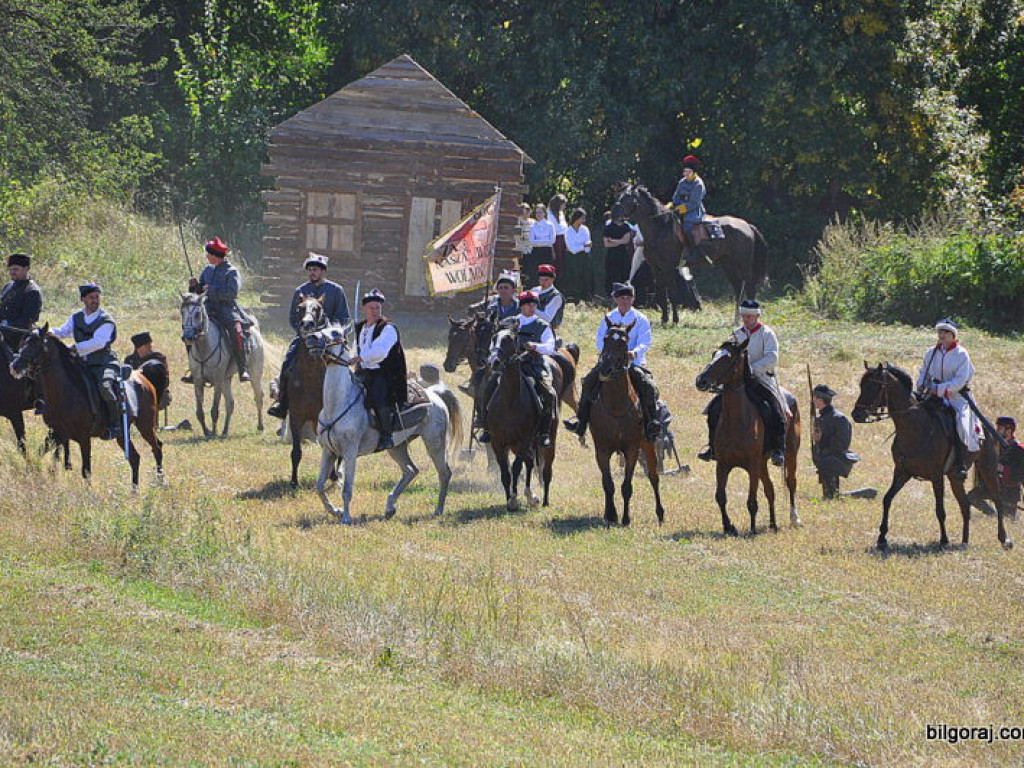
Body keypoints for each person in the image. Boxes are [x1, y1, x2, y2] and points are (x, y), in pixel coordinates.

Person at [563, 282, 660, 440]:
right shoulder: (609, 318)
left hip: (632, 363)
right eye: (622, 298)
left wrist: (633, 353)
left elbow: (645, 341)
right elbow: (600, 339)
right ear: (616, 299)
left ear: (633, 299)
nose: (625, 301)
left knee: (647, 385)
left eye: (628, 298)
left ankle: (652, 422)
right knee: (588, 381)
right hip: (609, 361)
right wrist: (609, 354)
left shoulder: (641, 319)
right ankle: (581, 421)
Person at [698, 299, 787, 466]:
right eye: (744, 316)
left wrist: (751, 369)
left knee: (773, 409)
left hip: (760, 378)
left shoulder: (767, 333)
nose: (746, 319)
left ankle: (777, 449)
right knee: (714, 409)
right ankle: (713, 447)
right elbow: (724, 353)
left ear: (757, 316)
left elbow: (772, 358)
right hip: (736, 379)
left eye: (750, 316)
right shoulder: (736, 334)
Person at [267, 253, 350, 419]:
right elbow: (293, 318)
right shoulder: (300, 291)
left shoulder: (336, 290)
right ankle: (283, 405)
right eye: (310, 270)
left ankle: (348, 401)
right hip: (305, 340)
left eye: (316, 270)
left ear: (323, 272)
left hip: (329, 341)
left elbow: (343, 318)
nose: (312, 273)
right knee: (287, 363)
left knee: (346, 364)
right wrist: (303, 333)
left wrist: (329, 333)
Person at [477, 290, 557, 447]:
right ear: (521, 306)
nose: (532, 307)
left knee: (549, 393)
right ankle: (486, 428)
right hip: (507, 366)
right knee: (487, 389)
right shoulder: (507, 322)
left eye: (534, 304)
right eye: (528, 304)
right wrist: (494, 356)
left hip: (533, 364)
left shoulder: (543, 325)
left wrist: (535, 346)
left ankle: (544, 432)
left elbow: (550, 347)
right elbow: (496, 342)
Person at [51, 284, 123, 440]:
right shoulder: (76, 317)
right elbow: (63, 332)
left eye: (97, 297)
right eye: (91, 297)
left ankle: (114, 423)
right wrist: (48, 332)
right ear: (83, 299)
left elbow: (98, 342)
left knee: (105, 387)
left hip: (104, 363)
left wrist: (75, 348)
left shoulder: (106, 320)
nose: (95, 300)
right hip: (83, 364)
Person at [915, 318, 978, 481]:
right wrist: (921, 386)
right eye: (939, 332)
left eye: (945, 332)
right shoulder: (931, 352)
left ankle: (960, 464)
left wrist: (940, 389)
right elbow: (924, 372)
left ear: (953, 335)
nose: (941, 335)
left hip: (957, 397)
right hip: (933, 395)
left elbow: (959, 381)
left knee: (962, 424)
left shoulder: (961, 354)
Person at [187, 236, 253, 382]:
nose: (207, 257)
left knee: (236, 332)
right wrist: (194, 286)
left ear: (216, 256)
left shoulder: (232, 272)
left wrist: (211, 289)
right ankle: (194, 369)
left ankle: (242, 368)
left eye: (209, 254)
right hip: (208, 308)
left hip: (227, 309)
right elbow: (200, 291)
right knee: (190, 328)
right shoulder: (207, 270)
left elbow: (232, 293)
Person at [353, 288, 407, 451]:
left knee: (379, 398)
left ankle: (386, 435)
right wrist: (355, 360)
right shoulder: (361, 327)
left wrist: (360, 358)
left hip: (384, 373)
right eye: (372, 307)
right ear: (364, 309)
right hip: (364, 371)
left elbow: (380, 351)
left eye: (378, 307)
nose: (375, 311)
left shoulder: (388, 328)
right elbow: (357, 348)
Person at [811, 384, 860, 499]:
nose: (813, 401)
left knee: (827, 462)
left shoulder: (839, 418)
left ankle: (832, 495)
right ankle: (830, 495)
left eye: (815, 398)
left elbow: (842, 444)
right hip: (824, 459)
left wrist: (821, 440)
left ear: (821, 400)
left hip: (838, 459)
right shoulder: (820, 419)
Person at [969, 416, 1024, 515]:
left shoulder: (1019, 450)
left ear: (1009, 430)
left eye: (1000, 428)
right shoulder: (994, 446)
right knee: (972, 497)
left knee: (1007, 519)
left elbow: (1020, 474)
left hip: (1010, 490)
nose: (997, 431)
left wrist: (1003, 469)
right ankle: (992, 515)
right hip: (993, 485)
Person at [671, 155, 707, 265]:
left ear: (693, 172)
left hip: (693, 212)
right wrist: (670, 206)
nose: (685, 174)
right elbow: (675, 197)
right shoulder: (682, 182)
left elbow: (694, 203)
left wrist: (680, 209)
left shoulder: (698, 184)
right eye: (684, 171)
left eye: (688, 172)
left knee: (687, 226)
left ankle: (693, 251)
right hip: (678, 209)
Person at [126, 331, 172, 412]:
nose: (150, 348)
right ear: (138, 348)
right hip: (135, 392)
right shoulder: (130, 360)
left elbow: (165, 380)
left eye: (150, 345)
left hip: (158, 392)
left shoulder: (158, 358)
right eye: (147, 346)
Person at [563, 208, 593, 300]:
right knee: (574, 277)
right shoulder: (568, 231)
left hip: (584, 257)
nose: (583, 220)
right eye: (582, 218)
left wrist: (582, 246)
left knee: (586, 276)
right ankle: (573, 296)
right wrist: (583, 246)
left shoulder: (585, 229)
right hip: (572, 258)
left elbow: (588, 245)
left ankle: (586, 296)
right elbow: (572, 249)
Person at [525, 203, 555, 288]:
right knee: (536, 272)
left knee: (547, 272)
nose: (538, 214)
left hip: (546, 252)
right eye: (537, 212)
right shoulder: (532, 226)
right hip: (536, 252)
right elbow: (532, 241)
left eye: (540, 212)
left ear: (544, 213)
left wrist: (539, 241)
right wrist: (545, 240)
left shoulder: (550, 225)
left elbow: (552, 240)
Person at [603, 208, 633, 295]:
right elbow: (606, 244)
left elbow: (626, 240)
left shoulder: (625, 226)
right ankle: (611, 294)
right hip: (612, 255)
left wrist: (614, 241)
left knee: (624, 274)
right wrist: (620, 241)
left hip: (623, 254)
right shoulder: (608, 227)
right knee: (612, 275)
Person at [531, 264, 565, 332]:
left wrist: (530, 309)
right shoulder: (534, 290)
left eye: (546, 280)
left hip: (548, 330)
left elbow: (547, 318)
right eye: (541, 279)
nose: (543, 282)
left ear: (552, 279)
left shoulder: (556, 296)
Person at [547, 193, 569, 277]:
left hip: (564, 239)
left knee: (563, 262)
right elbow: (552, 231)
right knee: (557, 262)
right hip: (556, 241)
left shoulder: (561, 213)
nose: (564, 206)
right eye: (563, 204)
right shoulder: (550, 214)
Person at [514, 202, 534, 276]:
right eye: (525, 209)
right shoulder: (516, 221)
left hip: (530, 249)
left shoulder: (533, 222)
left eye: (528, 209)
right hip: (520, 249)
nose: (527, 211)